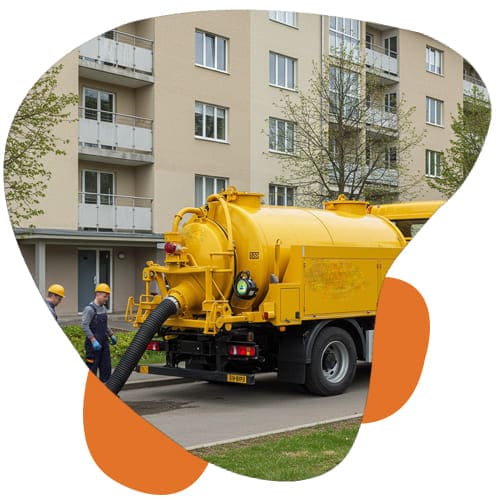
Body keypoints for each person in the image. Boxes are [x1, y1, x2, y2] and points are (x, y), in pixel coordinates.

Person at [82, 283, 117, 383]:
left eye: (107, 297)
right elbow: (85, 326)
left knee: (106, 367)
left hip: (104, 342)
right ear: (98, 294)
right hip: (93, 345)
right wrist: (93, 340)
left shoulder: (103, 308)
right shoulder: (89, 309)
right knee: (92, 368)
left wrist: (111, 334)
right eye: (105, 296)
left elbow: (104, 324)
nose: (106, 299)